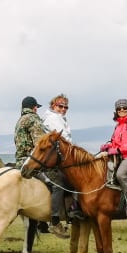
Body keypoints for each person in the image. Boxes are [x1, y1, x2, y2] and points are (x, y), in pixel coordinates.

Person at [15, 96, 67, 238]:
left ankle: (41, 223)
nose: (37, 109)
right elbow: (41, 143)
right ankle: (55, 221)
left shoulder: (20, 121)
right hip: (32, 162)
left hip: (20, 160)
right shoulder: (34, 119)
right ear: (34, 107)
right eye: (36, 107)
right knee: (57, 184)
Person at [99, 99, 127, 220]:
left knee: (121, 174)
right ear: (116, 111)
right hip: (121, 156)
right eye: (119, 109)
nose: (122, 110)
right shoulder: (118, 125)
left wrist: (118, 150)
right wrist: (108, 146)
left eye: (125, 108)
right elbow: (116, 143)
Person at [41, 93, 84, 223]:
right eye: (60, 106)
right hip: (58, 156)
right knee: (78, 178)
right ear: (53, 106)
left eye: (66, 107)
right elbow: (63, 139)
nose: (63, 109)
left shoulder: (58, 118)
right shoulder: (53, 119)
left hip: (60, 154)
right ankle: (73, 208)